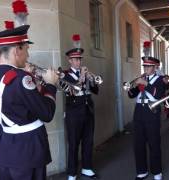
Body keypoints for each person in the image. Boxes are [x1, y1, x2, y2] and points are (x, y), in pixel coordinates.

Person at [0, 15, 59, 180]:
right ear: (17, 50)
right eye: (26, 49)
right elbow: (47, 113)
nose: (28, 56)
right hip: (28, 153)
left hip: (5, 150)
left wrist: (36, 84)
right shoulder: (21, 79)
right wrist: (51, 85)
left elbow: (3, 111)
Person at [127, 41, 167, 180]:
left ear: (155, 67)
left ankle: (157, 172)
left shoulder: (160, 80)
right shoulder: (141, 79)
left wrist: (146, 84)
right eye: (145, 66)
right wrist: (136, 86)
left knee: (154, 143)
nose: (146, 68)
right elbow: (130, 95)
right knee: (138, 143)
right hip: (138, 112)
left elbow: (158, 94)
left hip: (152, 112)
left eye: (149, 66)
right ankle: (141, 170)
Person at [63, 34, 99, 180]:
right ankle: (72, 172)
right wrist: (82, 78)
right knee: (73, 142)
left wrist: (92, 80)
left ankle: (87, 167)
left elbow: (96, 91)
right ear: (69, 60)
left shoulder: (85, 73)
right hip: (73, 113)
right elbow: (71, 92)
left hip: (88, 111)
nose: (78, 62)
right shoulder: (65, 75)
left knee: (88, 141)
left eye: (80, 59)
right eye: (75, 59)